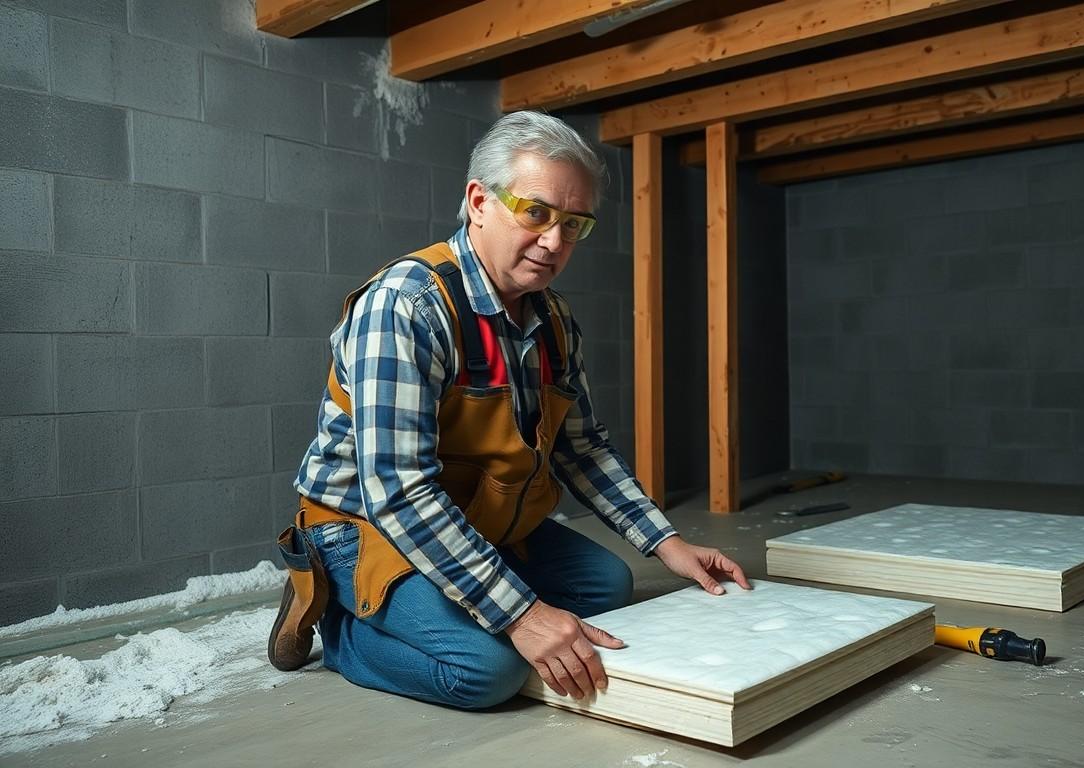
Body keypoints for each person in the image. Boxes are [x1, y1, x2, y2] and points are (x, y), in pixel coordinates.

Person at [268, 110, 750, 709]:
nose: (554, 242)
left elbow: (583, 447)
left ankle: (456, 604)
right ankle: (341, 626)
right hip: (363, 527)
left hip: (475, 519)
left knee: (607, 585)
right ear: (478, 201)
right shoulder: (408, 306)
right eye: (537, 213)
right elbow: (397, 489)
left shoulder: (553, 320)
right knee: (487, 669)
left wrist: (667, 543)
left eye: (574, 224)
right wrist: (520, 614)